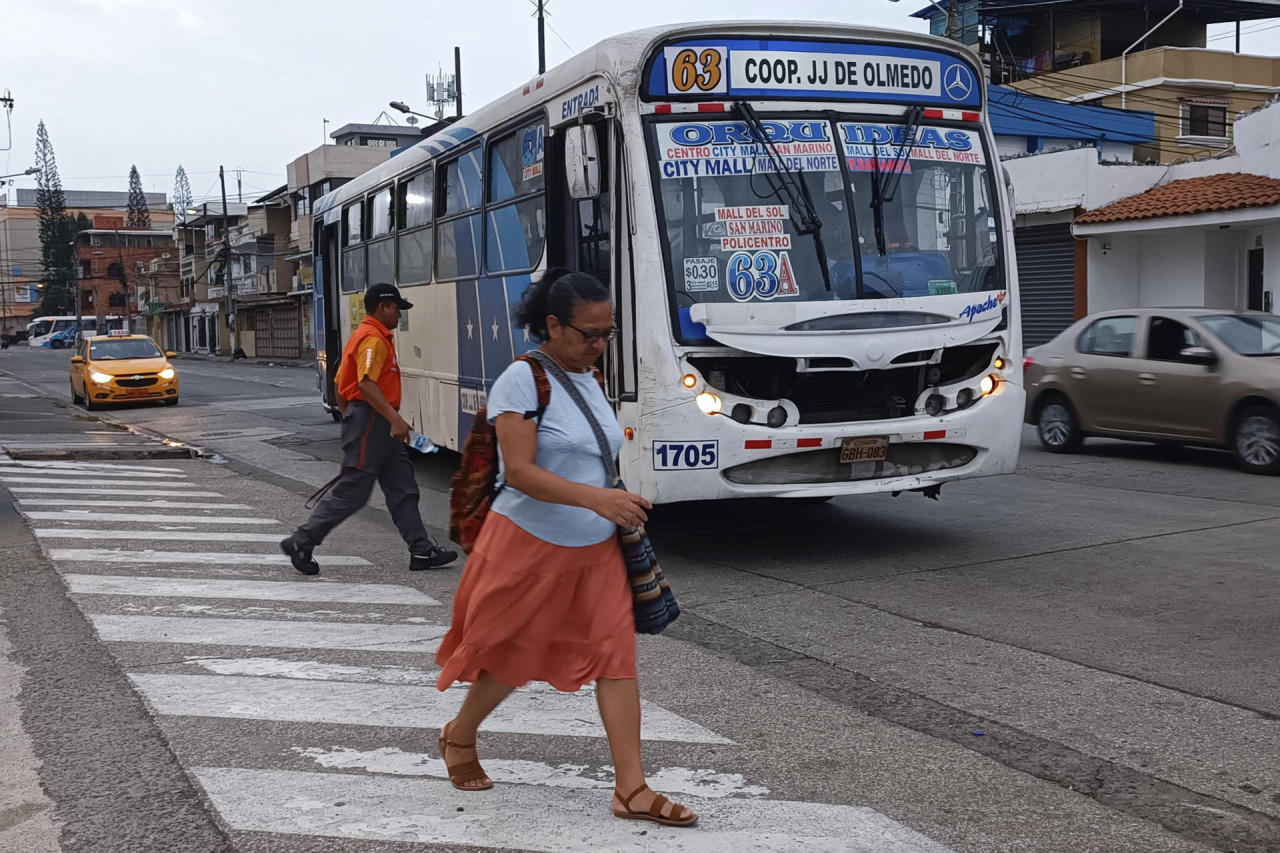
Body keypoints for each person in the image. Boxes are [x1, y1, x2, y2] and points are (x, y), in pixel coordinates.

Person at [433, 268, 697, 828]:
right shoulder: (522, 379)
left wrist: (611, 503)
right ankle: (459, 735)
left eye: (608, 334)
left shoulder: (589, 378)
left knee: (615, 657)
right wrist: (597, 500)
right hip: (529, 544)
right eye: (589, 334)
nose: (599, 346)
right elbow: (521, 472)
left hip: (595, 549)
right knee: (509, 655)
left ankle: (632, 789)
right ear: (553, 326)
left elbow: (592, 458)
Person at [280, 283, 457, 575]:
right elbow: (364, 383)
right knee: (354, 492)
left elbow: (339, 383)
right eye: (396, 307)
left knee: (403, 487)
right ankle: (302, 540)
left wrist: (352, 414)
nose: (399, 313)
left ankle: (421, 550)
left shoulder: (368, 337)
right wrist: (380, 419)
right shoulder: (373, 339)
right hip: (373, 421)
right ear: (382, 307)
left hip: (375, 421)